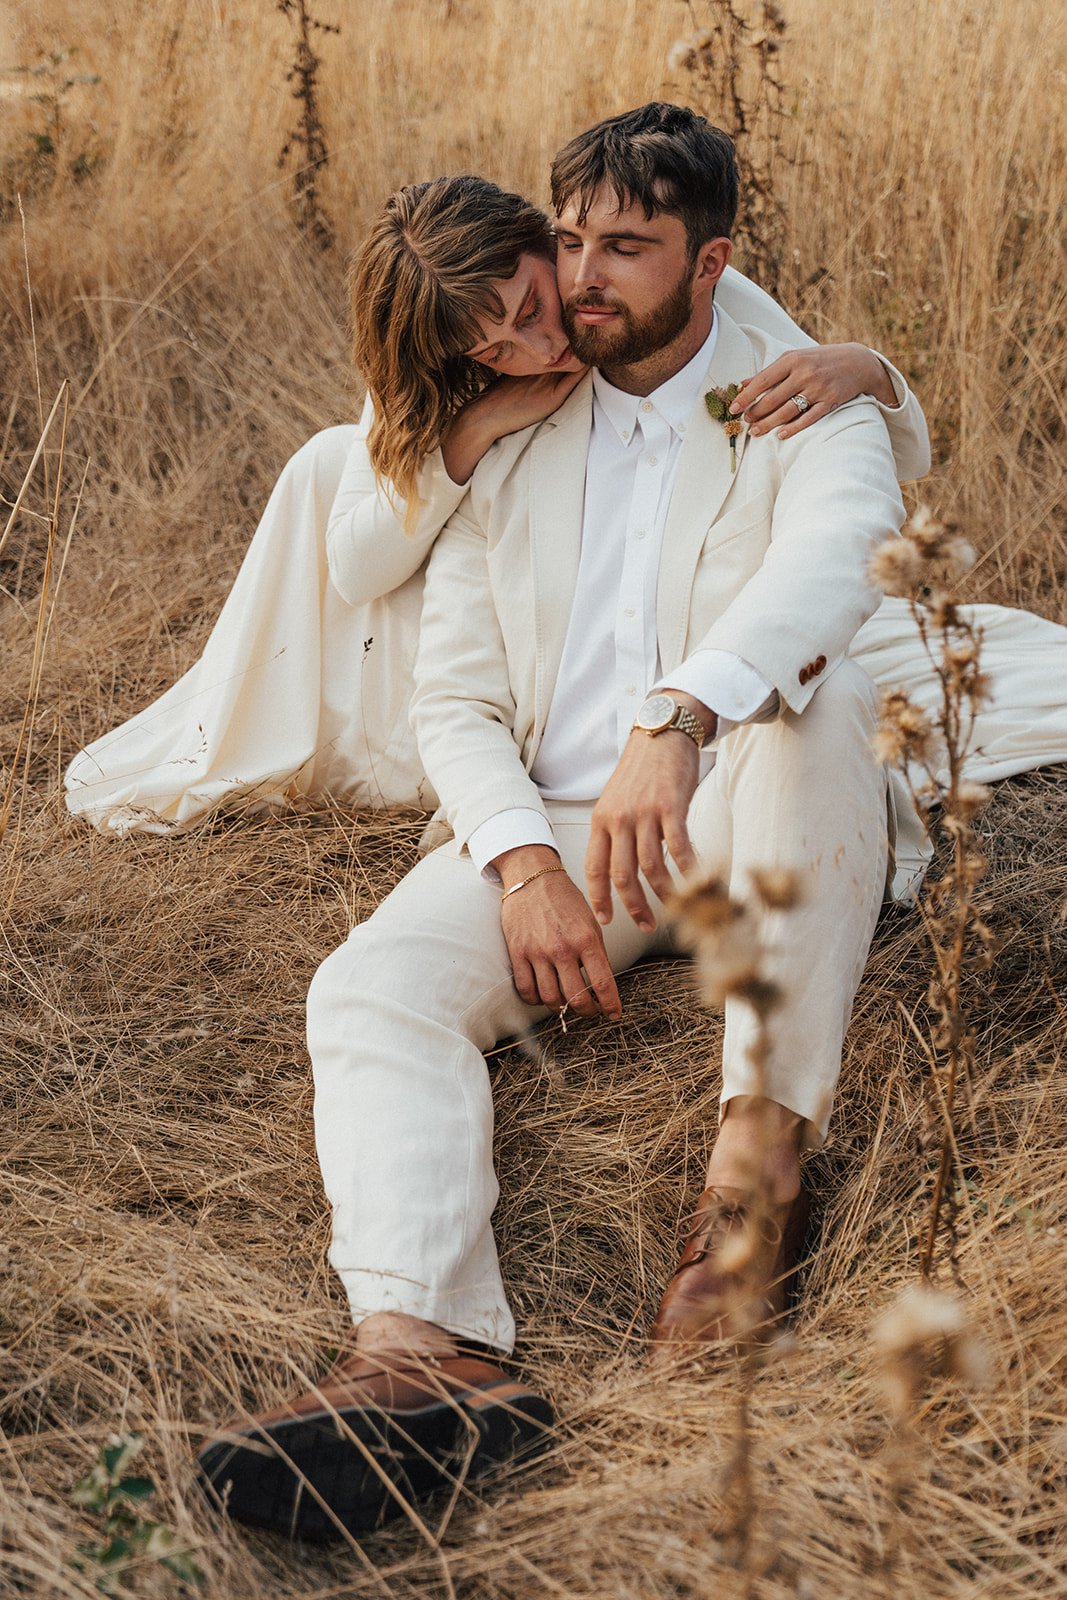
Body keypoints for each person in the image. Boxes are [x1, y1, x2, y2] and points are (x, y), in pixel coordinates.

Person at [193, 104, 1065, 1547]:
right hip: (557, 823)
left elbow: (836, 563)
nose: (583, 277)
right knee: (368, 990)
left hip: (736, 798)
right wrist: (524, 864)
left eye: (626, 249)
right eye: (572, 240)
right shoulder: (515, 414)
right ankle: (426, 1355)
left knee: (820, 695)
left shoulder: (794, 395)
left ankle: (748, 1194)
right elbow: (455, 699)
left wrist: (674, 721)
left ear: (708, 262)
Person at [63, 176, 932, 838]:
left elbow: (849, 408)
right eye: (496, 347)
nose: (540, 344)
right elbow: (358, 566)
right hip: (455, 601)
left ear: (544, 244)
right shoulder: (438, 371)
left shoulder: (631, 292)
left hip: (602, 592)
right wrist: (479, 423)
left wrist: (864, 366)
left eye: (529, 307)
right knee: (334, 460)